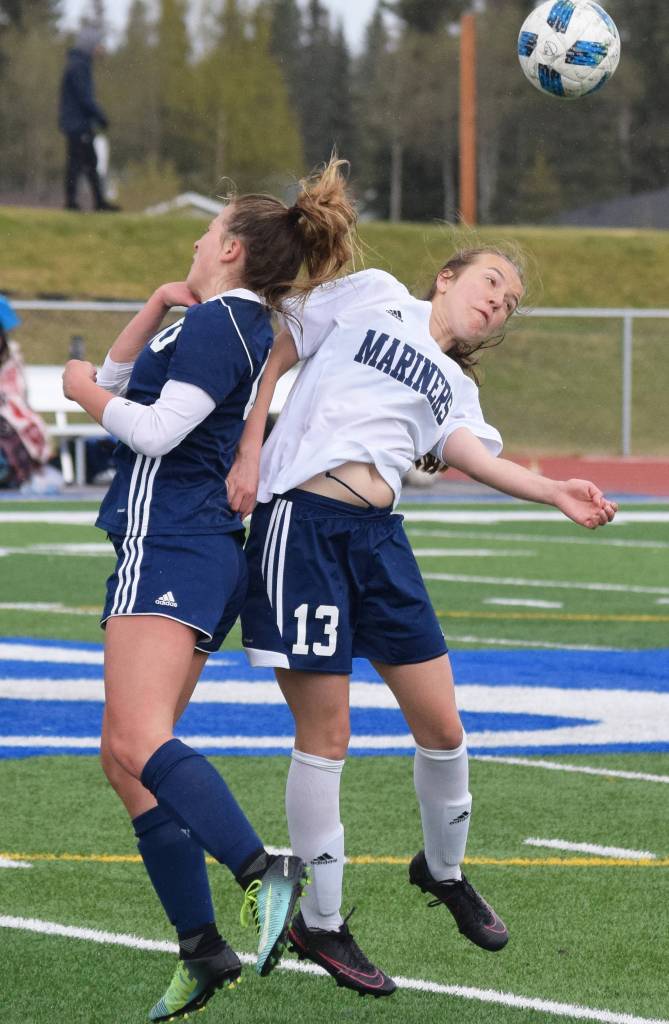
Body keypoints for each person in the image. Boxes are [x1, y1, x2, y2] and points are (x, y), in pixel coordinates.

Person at [226, 248, 618, 996]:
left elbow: (471, 454)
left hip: (380, 543)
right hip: (301, 528)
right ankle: (322, 920)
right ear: (446, 276)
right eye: (491, 283)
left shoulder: (452, 384)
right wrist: (250, 447)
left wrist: (553, 492)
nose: (497, 303)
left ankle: (441, 871)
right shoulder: (372, 295)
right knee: (327, 735)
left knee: (442, 725)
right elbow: (283, 345)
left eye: (507, 304)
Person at [61, 157, 357, 1022]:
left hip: (173, 548)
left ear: (229, 249)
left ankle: (263, 869)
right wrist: (154, 305)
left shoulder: (225, 325)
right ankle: (201, 948)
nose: (192, 242)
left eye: (204, 232)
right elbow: (118, 382)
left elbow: (150, 429)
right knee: (123, 757)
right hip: (175, 549)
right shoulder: (207, 320)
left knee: (140, 740)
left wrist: (77, 390)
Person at [58, 25, 118, 212]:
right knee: (80, 164)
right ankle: (78, 203)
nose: (102, 49)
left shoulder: (78, 64)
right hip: (79, 125)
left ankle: (95, 202)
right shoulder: (79, 66)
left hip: (77, 123)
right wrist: (101, 117)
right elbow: (85, 98)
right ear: (91, 45)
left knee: (86, 164)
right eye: (99, 44)